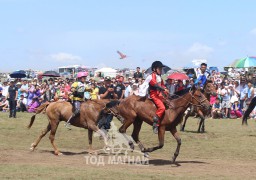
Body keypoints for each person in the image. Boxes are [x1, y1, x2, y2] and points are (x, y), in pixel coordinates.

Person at [149, 61, 169, 134]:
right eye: (159, 68)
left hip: (159, 94)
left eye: (161, 68)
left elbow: (162, 85)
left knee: (168, 104)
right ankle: (155, 123)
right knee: (162, 108)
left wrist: (166, 90)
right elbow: (155, 84)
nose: (161, 70)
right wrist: (163, 89)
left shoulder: (160, 76)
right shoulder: (152, 75)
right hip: (154, 94)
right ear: (154, 69)